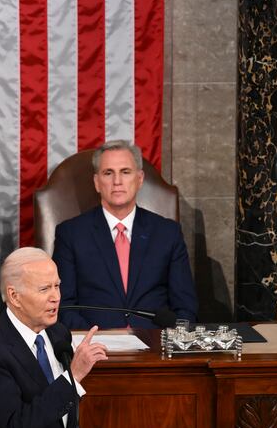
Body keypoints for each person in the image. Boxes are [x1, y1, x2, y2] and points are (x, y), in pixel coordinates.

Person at [0, 247, 108, 428]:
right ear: (14, 296)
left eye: (57, 286)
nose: (56, 297)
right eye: (44, 289)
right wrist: (73, 377)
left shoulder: (59, 333)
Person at [54, 140, 198, 329]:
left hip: (155, 348)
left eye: (125, 172)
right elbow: (63, 307)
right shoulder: (71, 234)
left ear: (139, 179)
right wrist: (94, 339)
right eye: (108, 173)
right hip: (95, 346)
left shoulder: (168, 233)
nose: (117, 182)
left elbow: (185, 308)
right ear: (97, 182)